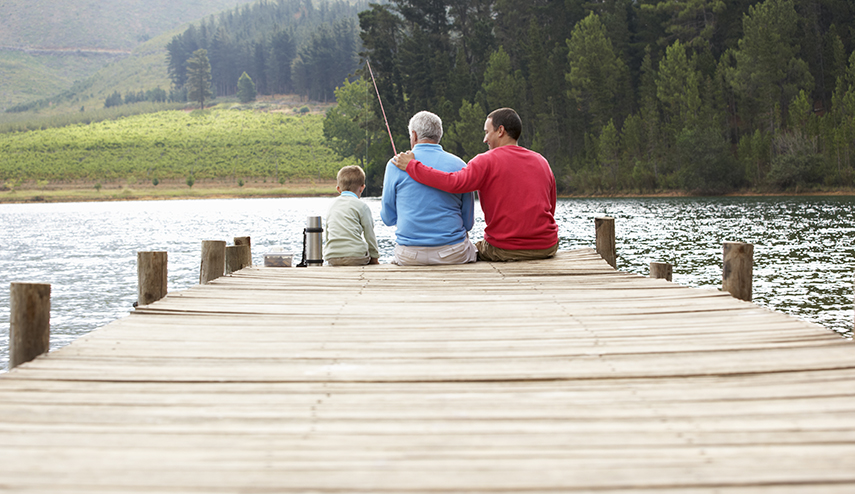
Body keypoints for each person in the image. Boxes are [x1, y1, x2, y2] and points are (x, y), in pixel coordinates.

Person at [392, 107, 558, 262]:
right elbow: (550, 207)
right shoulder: (541, 161)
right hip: (547, 247)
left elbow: (453, 182)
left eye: (487, 132)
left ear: (500, 131)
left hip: (505, 249)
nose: (485, 139)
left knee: (473, 249)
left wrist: (412, 166)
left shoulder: (486, 161)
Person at [381, 111, 477, 265]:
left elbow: (388, 218)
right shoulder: (460, 165)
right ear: (439, 135)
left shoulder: (395, 164)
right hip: (453, 254)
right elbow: (468, 223)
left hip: (409, 256)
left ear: (414, 135)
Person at [323, 165, 380, 266]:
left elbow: (328, 234)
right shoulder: (362, 206)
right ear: (362, 188)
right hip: (356, 256)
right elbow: (369, 233)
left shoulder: (331, 205)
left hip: (332, 256)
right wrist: (374, 256)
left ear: (338, 189)